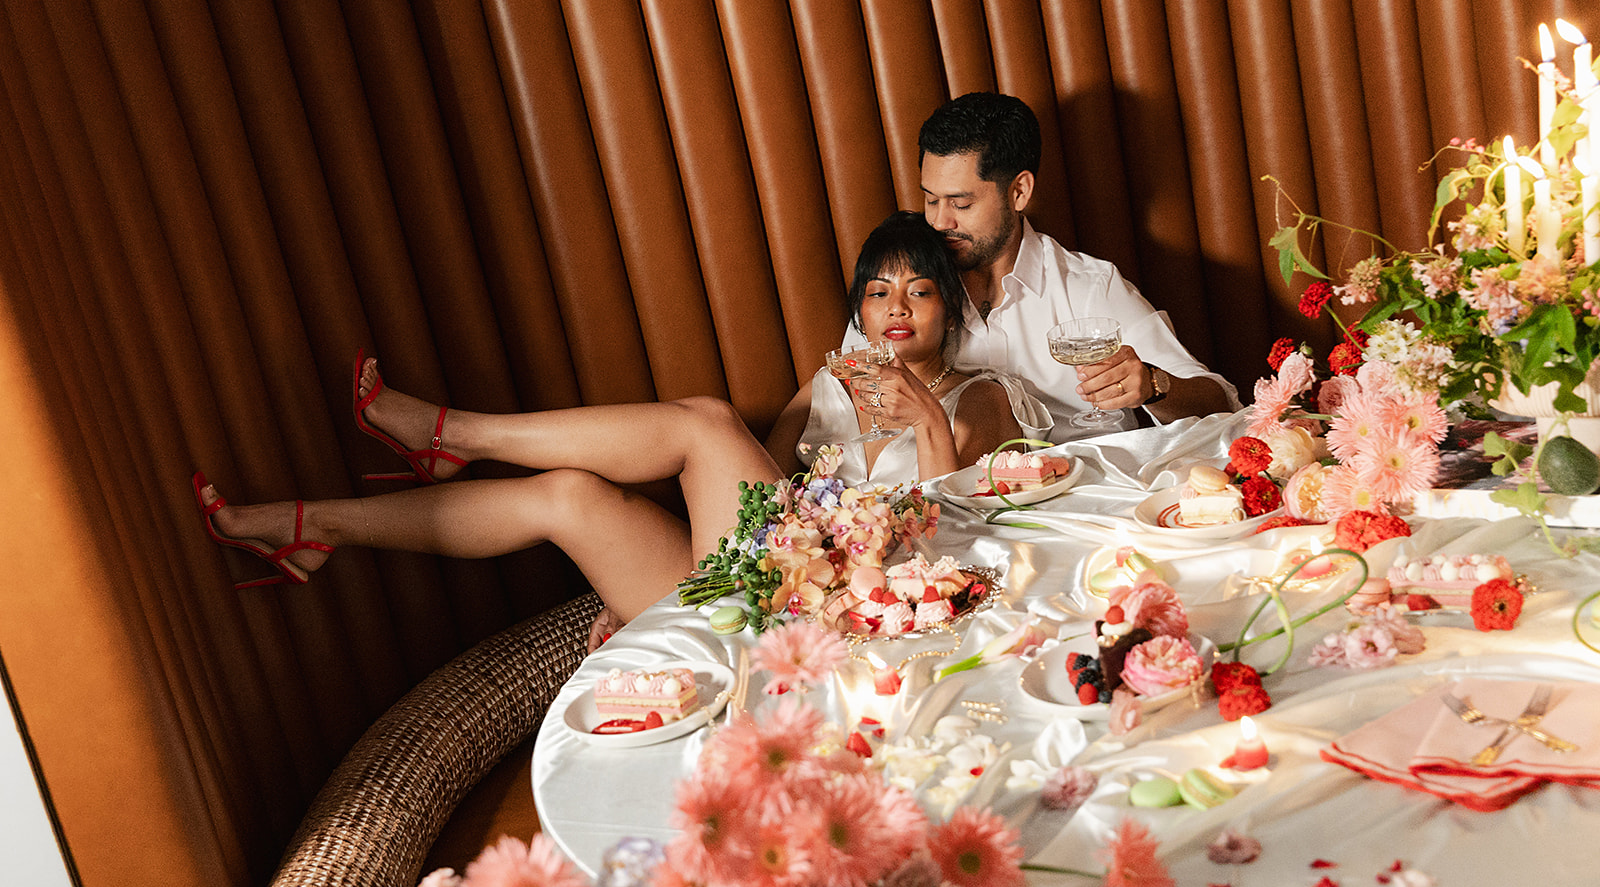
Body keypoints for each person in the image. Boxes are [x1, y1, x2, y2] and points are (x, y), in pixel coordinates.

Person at [194, 212, 1047, 643]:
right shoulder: (833, 378)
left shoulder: (981, 394)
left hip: (849, 612)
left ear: (950, 308)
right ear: (858, 306)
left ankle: (455, 435)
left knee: (707, 421)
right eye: (878, 291)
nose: (896, 308)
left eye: (919, 291)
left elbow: (954, 522)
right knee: (568, 497)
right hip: (756, 587)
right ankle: (318, 528)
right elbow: (756, 480)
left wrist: (923, 414)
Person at [843, 92, 1238, 442]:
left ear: (1019, 191)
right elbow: (851, 399)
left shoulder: (1089, 287)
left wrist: (1152, 384)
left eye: (961, 204)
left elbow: (1220, 402)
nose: (939, 221)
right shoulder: (902, 290)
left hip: (1091, 490)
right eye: (931, 200)